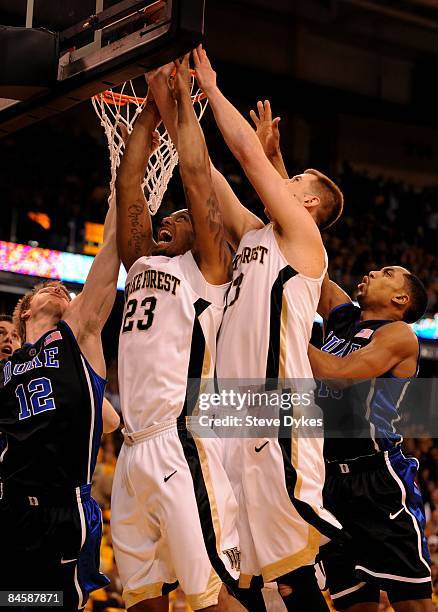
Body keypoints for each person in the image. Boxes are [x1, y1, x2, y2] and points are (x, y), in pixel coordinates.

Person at [193, 45, 345, 611]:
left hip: (276, 408)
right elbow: (207, 176)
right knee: (247, 577)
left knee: (292, 574)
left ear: (306, 202)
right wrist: (174, 113)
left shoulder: (308, 246)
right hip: (231, 413)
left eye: (296, 178)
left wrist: (208, 86)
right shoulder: (257, 234)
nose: (286, 174)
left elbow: (247, 159)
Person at [111, 61, 243, 611]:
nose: (169, 216)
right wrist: (147, 110)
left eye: (183, 216)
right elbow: (128, 184)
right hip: (133, 450)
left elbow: (194, 176)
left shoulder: (207, 270)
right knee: (141, 597)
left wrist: (181, 104)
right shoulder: (138, 260)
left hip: (180, 440)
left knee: (210, 596)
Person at [0, 180, 120, 608]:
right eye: (45, 288)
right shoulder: (6, 367)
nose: (58, 286)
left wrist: (119, 194)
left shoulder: (75, 338)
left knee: (47, 603)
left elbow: (109, 252)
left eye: (65, 291)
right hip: (8, 505)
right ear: (26, 310)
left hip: (60, 508)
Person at [308, 266, 432, 611]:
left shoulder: (398, 334)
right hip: (329, 483)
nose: (373, 271)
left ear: (400, 299)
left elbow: (340, 374)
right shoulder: (344, 318)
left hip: (377, 482)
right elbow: (309, 266)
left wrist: (286, 334)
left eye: (386, 273)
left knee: (413, 603)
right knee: (352, 605)